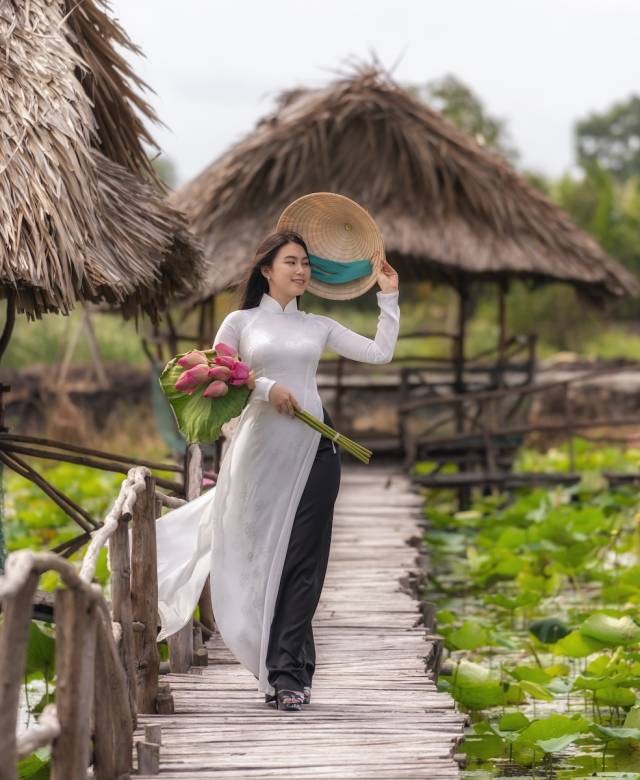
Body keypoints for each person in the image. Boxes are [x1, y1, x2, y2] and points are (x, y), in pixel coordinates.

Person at [155, 230, 400, 711]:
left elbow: (380, 352)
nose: (301, 270)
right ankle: (283, 663)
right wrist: (266, 388)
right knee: (261, 557)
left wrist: (388, 297)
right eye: (291, 262)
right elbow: (216, 375)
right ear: (267, 269)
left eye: (306, 263)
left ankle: (289, 675)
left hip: (317, 449)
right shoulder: (241, 321)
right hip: (260, 454)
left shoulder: (318, 324)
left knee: (304, 563)